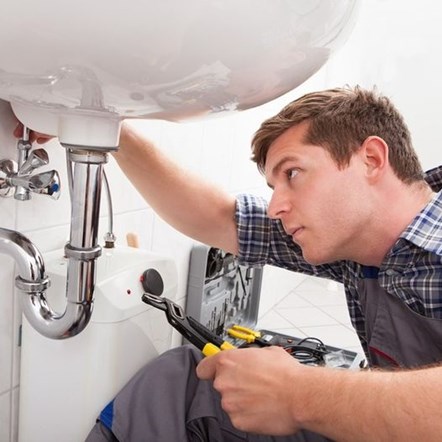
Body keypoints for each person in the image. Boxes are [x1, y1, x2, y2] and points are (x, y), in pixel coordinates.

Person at [18, 86, 442, 441]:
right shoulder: (357, 249)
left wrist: (300, 394)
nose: (277, 205)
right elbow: (219, 217)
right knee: (187, 384)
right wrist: (104, 126)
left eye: (292, 173)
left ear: (370, 159)